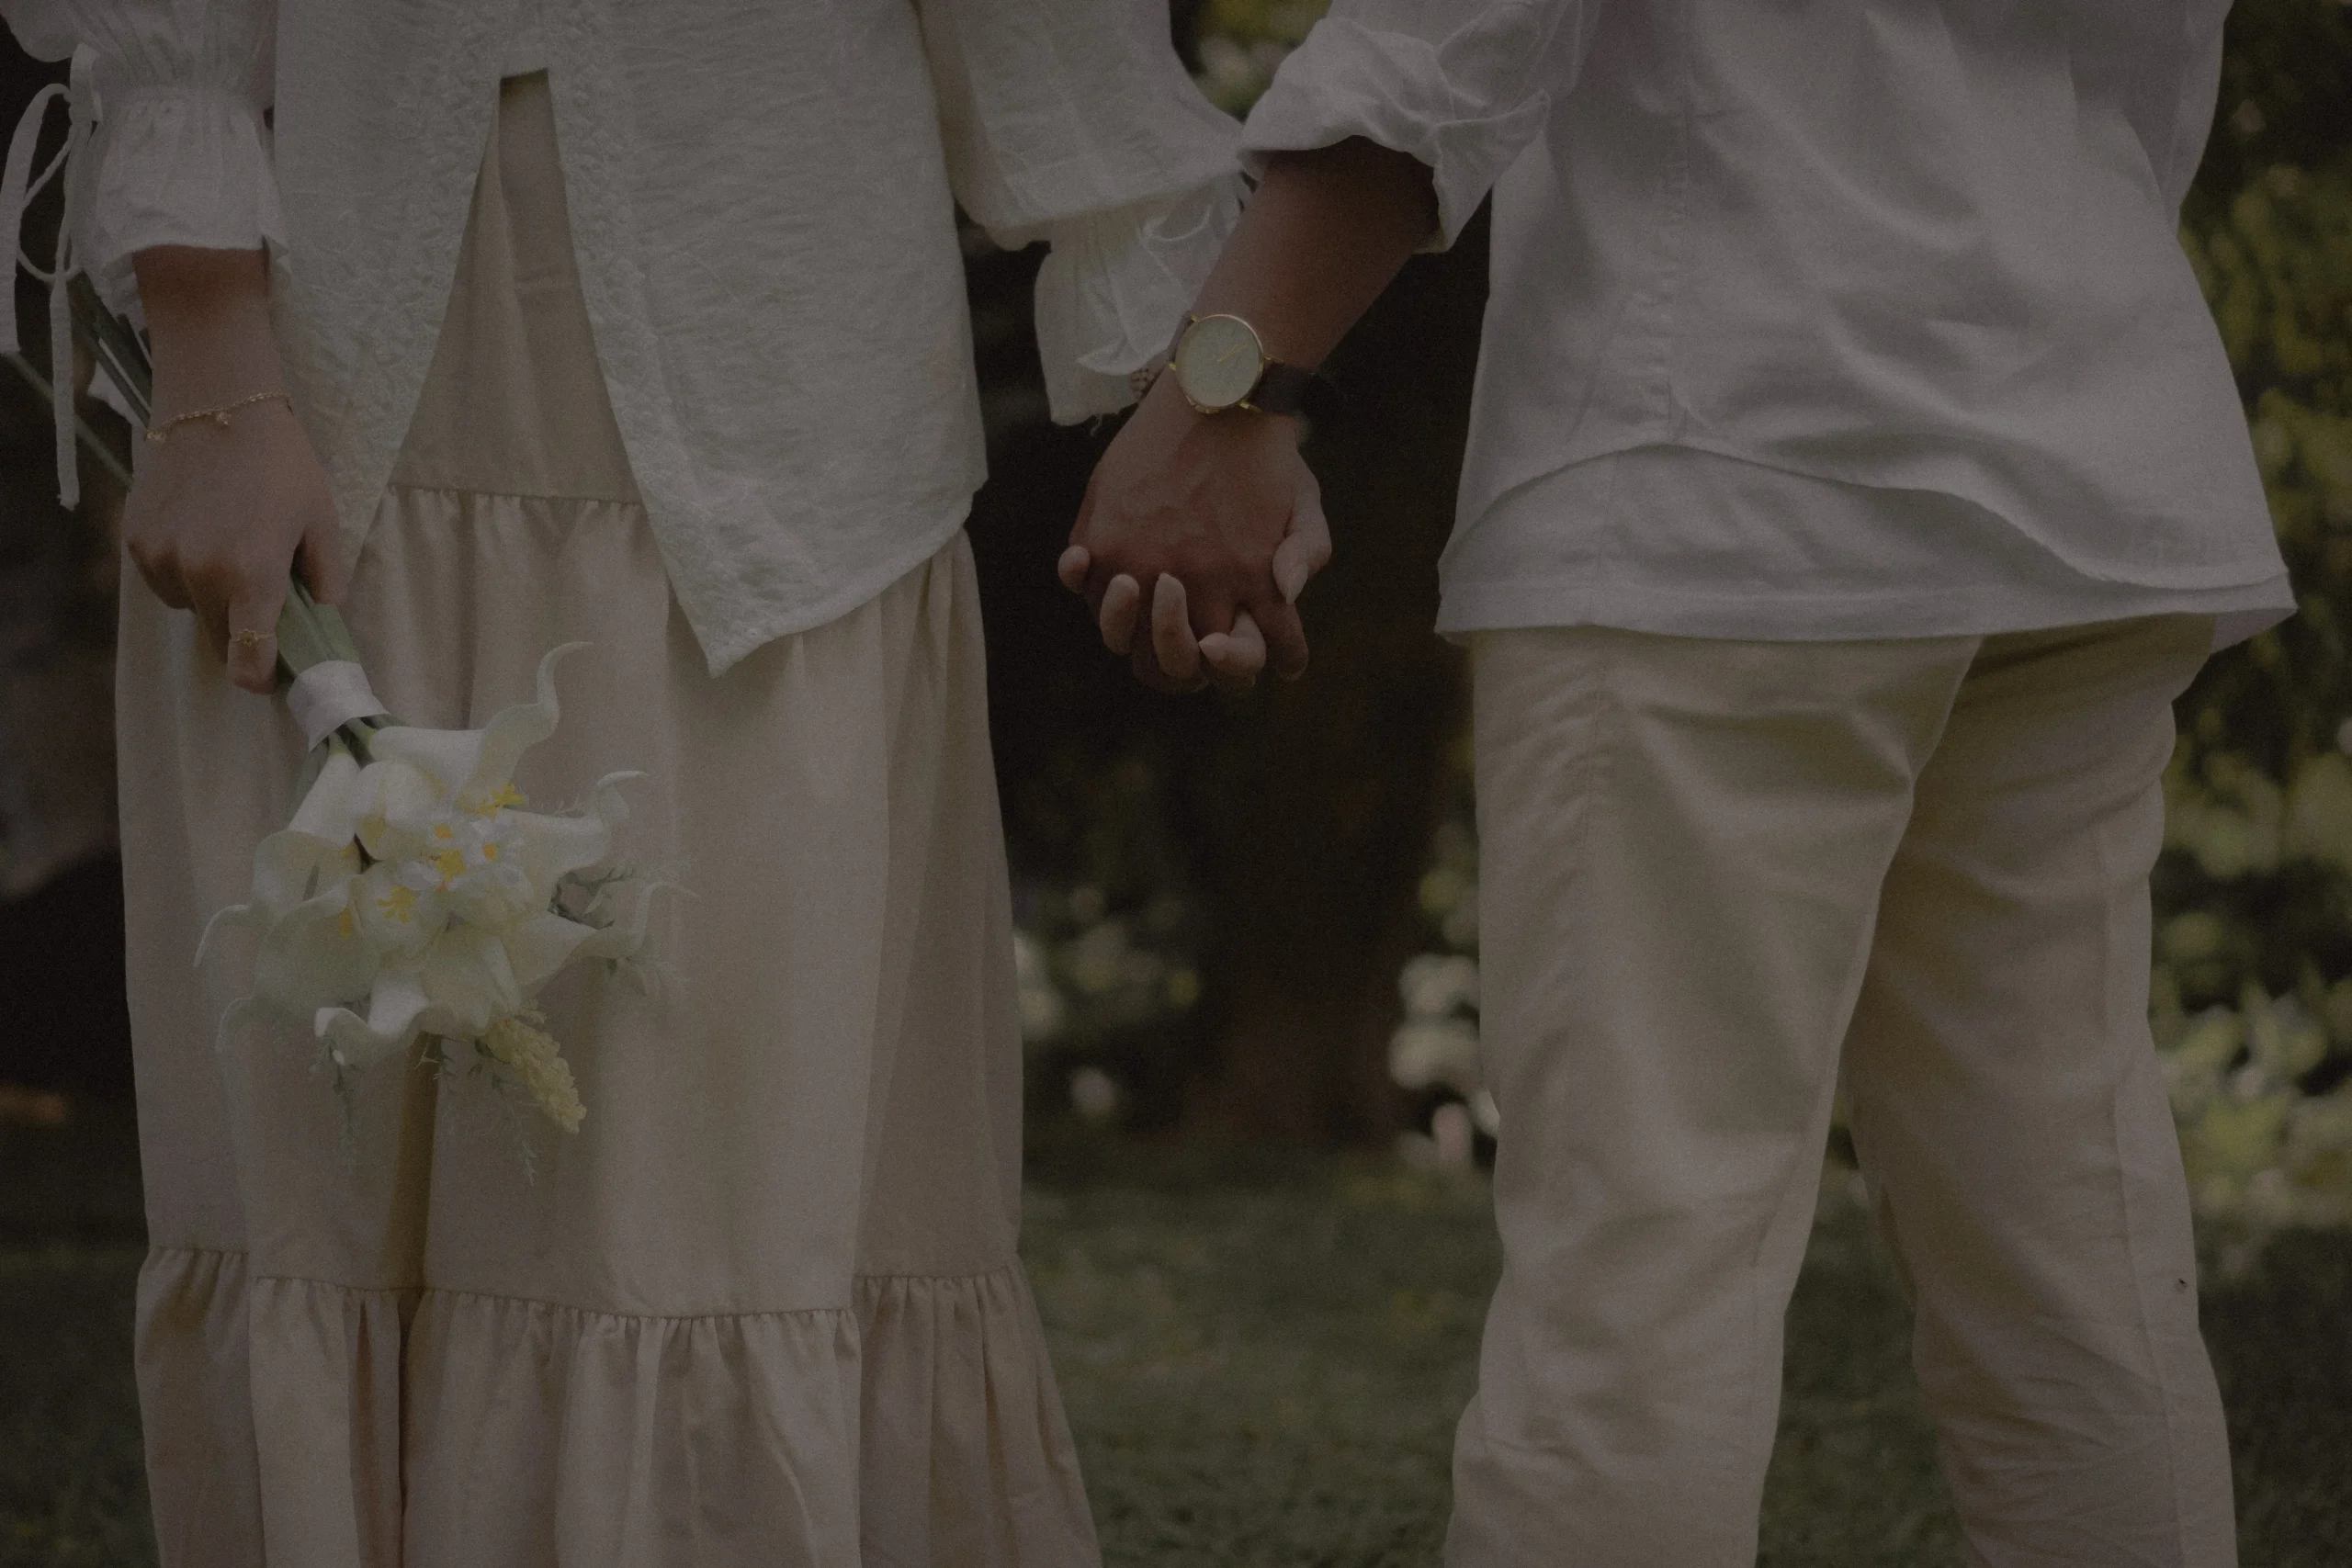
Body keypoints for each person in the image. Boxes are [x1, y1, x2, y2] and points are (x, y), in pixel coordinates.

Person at [0, 1, 1243, 1562]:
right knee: (326, 1192)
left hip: (782, 449)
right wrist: (208, 361)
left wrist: (1210, 391)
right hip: (321, 429)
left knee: (713, 1215)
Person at [1065, 2, 2287, 1562]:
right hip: (2081, 455)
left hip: (1727, 461)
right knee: (2071, 1267)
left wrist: (1229, 380)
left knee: (1642, 1278)